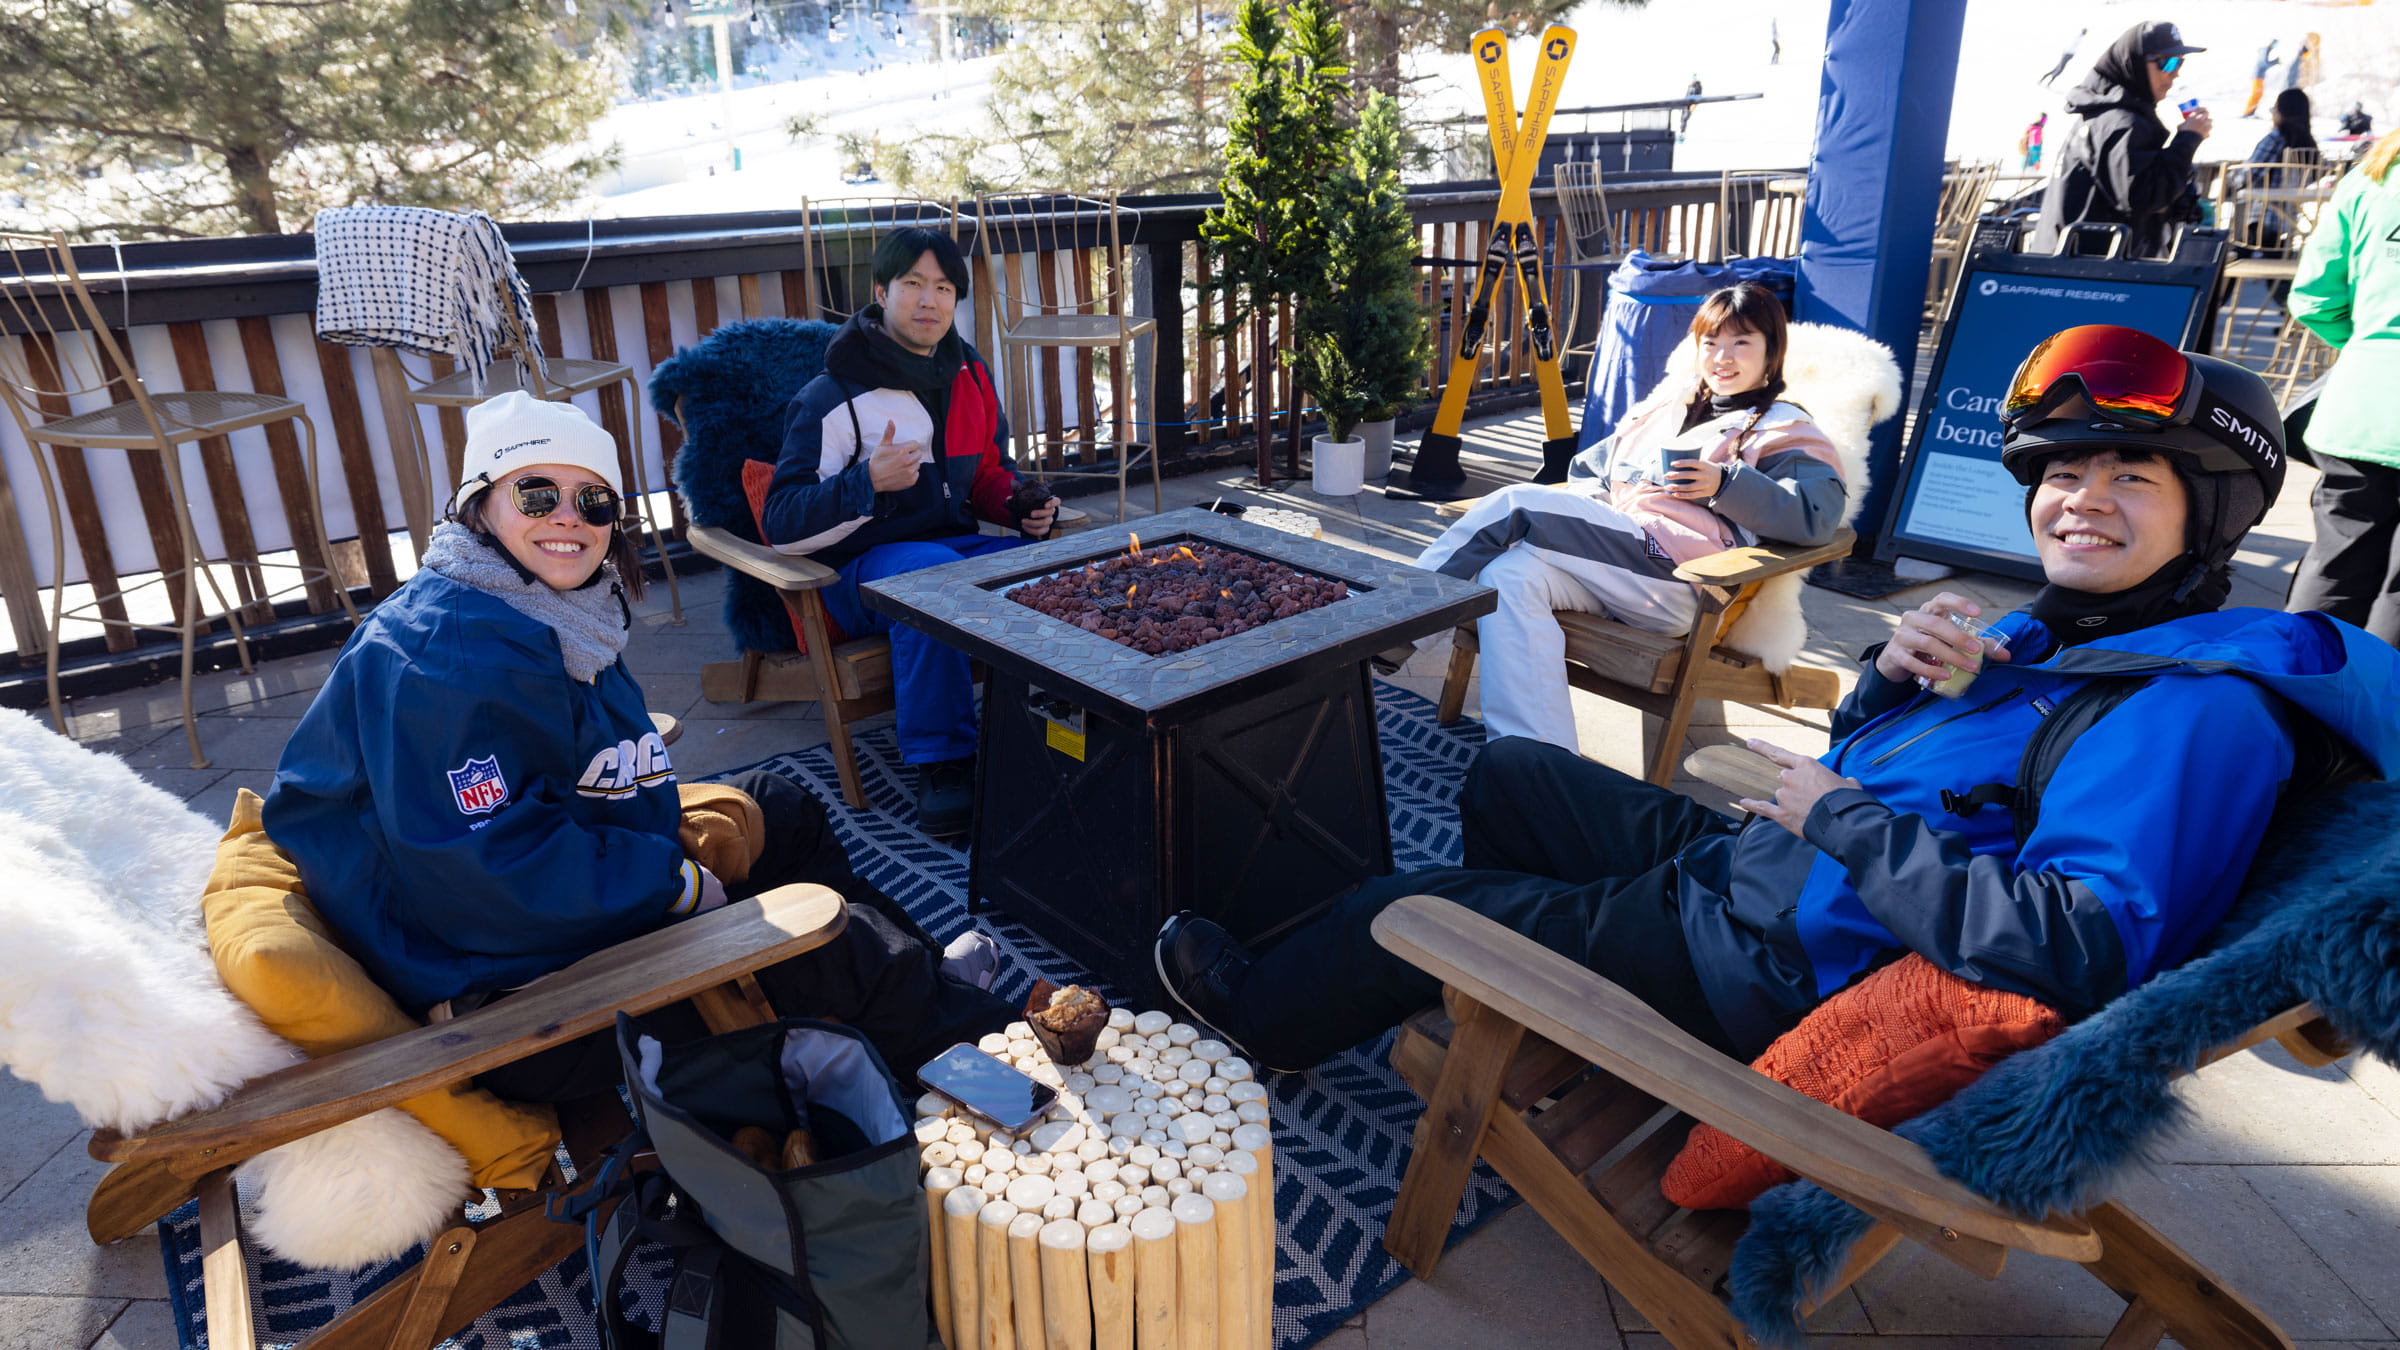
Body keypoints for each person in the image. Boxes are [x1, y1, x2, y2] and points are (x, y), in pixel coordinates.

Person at [1156, 326, 2399, 1073]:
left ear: (2214, 515)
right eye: (2066, 469)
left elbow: (2080, 946)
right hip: (1777, 876)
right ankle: (1538, 993)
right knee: (1511, 774)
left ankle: (1270, 1015)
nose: (2083, 497)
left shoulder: (2197, 708)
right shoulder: (2066, 636)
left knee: (1424, 902)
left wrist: (1842, 817)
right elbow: (1918, 770)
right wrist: (1880, 690)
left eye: (2135, 475)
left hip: (1776, 959)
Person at [264, 393, 1018, 1099]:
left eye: (593, 500)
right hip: (505, 987)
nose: (569, 518)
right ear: (478, 506)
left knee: (778, 809)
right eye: (536, 493)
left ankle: (923, 991)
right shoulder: (443, 661)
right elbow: (487, 873)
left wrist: (665, 860)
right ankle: (1016, 1087)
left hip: (559, 895)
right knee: (826, 943)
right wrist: (668, 883)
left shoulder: (547, 604)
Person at [1396, 284, 1847, 754]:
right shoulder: (1667, 410)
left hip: (1679, 577)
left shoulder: (1784, 428)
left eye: (1742, 342)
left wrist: (1725, 485)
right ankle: (1533, 757)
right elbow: (1591, 468)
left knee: (1517, 506)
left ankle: (1395, 626)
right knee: (1506, 574)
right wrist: (1594, 510)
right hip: (1615, 560)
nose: (1722, 357)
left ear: (1772, 350)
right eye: (1711, 343)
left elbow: (1817, 515)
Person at [760, 227, 1060, 836]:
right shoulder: (833, 396)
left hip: (948, 547)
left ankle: (1047, 732)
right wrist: (866, 482)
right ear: (881, 292)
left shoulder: (969, 374)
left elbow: (985, 475)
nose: (930, 301)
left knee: (1052, 572)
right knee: (930, 581)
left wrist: (1018, 505)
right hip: (856, 571)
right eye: (913, 284)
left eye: (944, 287)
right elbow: (782, 523)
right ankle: (944, 761)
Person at [2286, 130, 2400, 645]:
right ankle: (2376, 721)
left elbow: (2313, 298)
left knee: (2334, 566)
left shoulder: (2372, 174)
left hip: (2360, 404)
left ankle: (2286, 704)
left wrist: (2372, 347)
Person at [2032, 21, 2213, 259]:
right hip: (2088, 273)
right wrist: (2187, 140)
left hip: (2072, 264)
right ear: (2134, 63)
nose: (2174, 72)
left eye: (2179, 63)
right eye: (2166, 62)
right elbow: (2142, 197)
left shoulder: (2110, 114)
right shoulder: (2119, 121)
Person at [2238, 88, 2323, 248]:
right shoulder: (2309, 144)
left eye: (2274, 108)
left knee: (2236, 202)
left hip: (2263, 219)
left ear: (2282, 112)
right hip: (2291, 220)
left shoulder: (2275, 139)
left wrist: (2233, 177)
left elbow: (2250, 175)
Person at [2240, 38, 2280, 118]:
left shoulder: (2265, 50)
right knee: (2256, 94)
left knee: (2258, 94)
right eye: (2274, 43)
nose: (2274, 46)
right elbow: (2264, 64)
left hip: (2259, 76)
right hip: (2257, 76)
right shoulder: (2265, 50)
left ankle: (2251, 111)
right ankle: (2248, 112)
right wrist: (2275, 62)